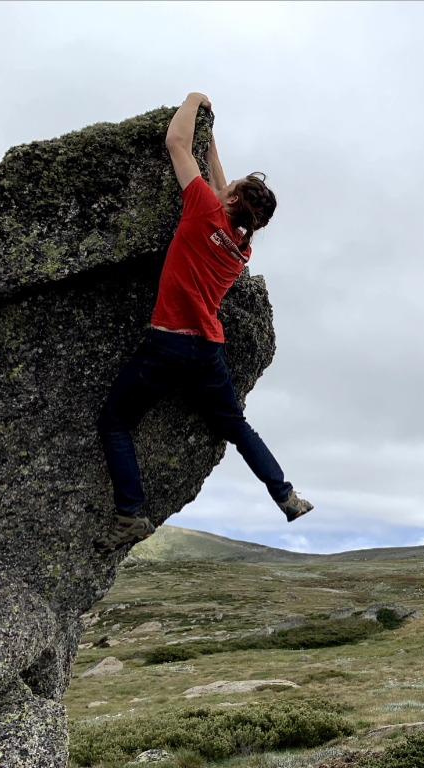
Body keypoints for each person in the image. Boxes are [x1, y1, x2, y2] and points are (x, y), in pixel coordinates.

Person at [96, 91, 312, 552]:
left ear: (230, 198)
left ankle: (130, 514)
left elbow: (175, 142)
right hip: (206, 351)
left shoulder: (200, 208)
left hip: (167, 345)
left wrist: (195, 98)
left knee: (114, 421)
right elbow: (219, 187)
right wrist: (210, 138)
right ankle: (285, 495)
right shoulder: (240, 247)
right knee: (236, 426)